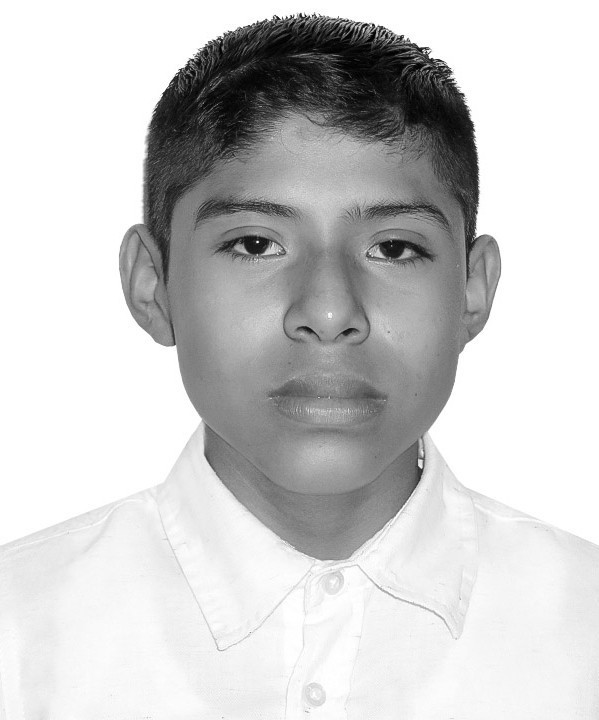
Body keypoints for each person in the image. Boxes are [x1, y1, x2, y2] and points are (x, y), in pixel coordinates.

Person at [0, 13, 597, 718]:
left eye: (394, 248)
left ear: (472, 289)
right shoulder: (19, 636)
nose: (329, 310)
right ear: (152, 284)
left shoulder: (580, 633)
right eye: (255, 244)